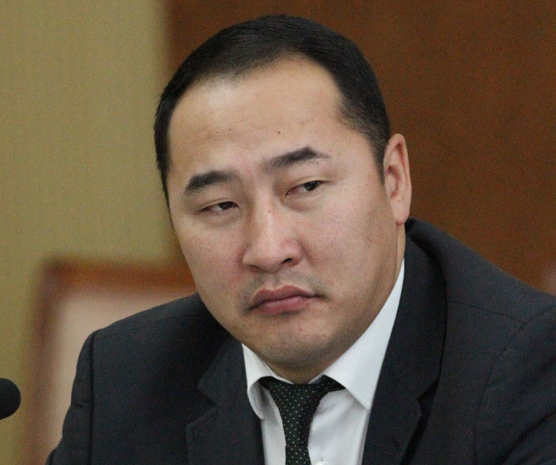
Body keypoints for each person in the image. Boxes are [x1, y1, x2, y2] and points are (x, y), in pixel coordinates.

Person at [47, 15, 556, 465]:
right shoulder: (125, 380)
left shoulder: (527, 371)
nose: (268, 250)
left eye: (306, 187)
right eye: (220, 206)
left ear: (394, 180)